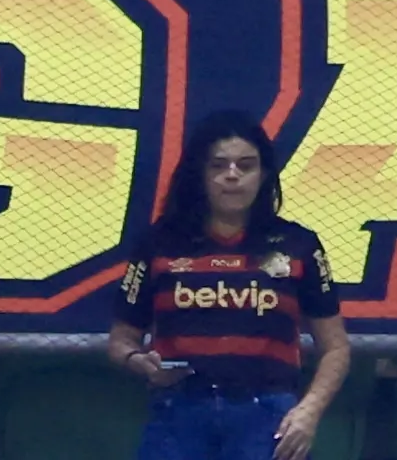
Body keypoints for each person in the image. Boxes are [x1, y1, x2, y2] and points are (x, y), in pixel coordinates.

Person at [112, 114, 356, 457]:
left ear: (264, 174)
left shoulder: (299, 245)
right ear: (200, 174)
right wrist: (138, 361)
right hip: (178, 414)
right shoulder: (159, 243)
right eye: (218, 165)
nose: (232, 175)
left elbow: (336, 348)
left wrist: (308, 413)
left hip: (269, 416)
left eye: (246, 165)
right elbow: (121, 340)